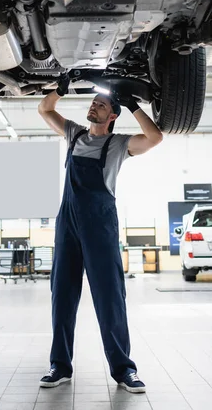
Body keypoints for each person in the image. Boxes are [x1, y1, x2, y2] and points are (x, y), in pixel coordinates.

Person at [37, 74, 163, 393]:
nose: (94, 106)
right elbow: (45, 110)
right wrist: (61, 90)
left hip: (100, 223)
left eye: (101, 104)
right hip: (68, 223)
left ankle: (124, 370)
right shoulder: (74, 135)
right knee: (62, 295)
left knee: (110, 297)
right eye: (93, 102)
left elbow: (155, 137)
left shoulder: (119, 144)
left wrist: (132, 103)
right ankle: (60, 366)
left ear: (113, 115)